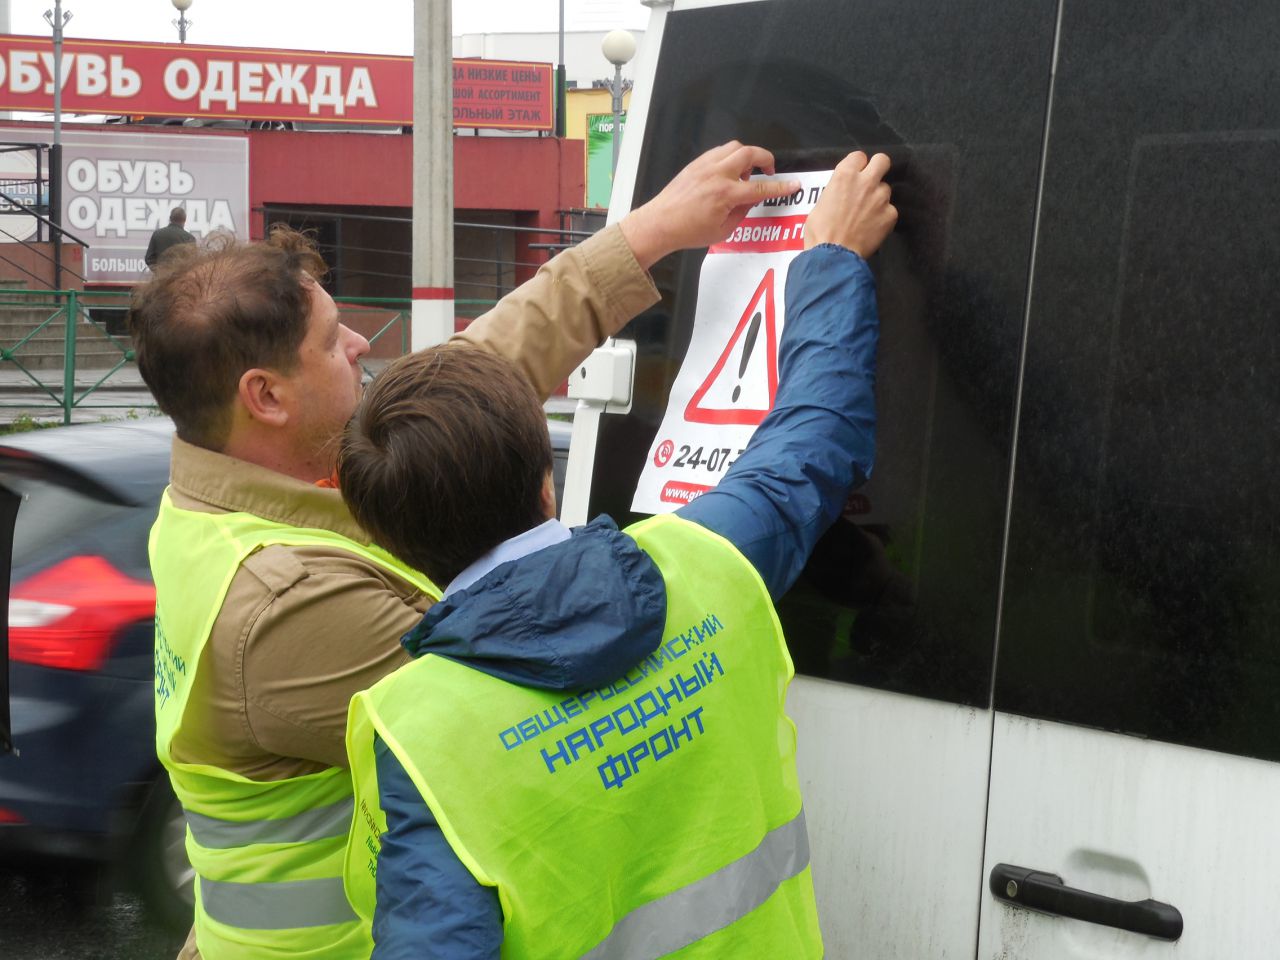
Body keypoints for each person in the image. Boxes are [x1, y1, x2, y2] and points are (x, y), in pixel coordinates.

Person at [132, 141, 808, 960]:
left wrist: (650, 232)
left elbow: (471, 380)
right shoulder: (280, 604)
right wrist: (710, 571)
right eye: (329, 338)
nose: (357, 344)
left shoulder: (233, 491)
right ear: (265, 397)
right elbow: (531, 672)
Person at [336, 150, 897, 959]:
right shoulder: (705, 565)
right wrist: (831, 259)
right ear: (544, 478)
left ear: (392, 542)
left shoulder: (423, 733)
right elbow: (814, 435)